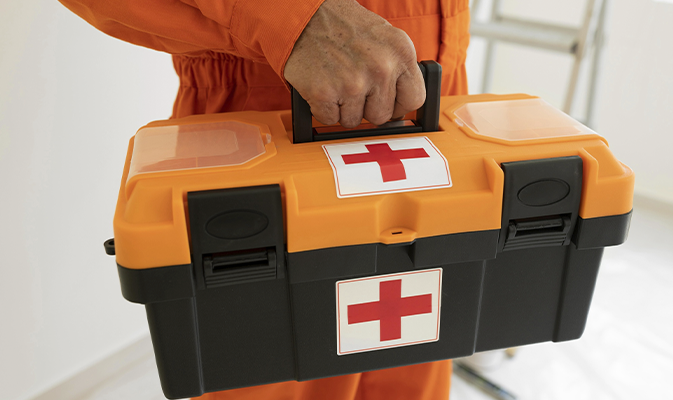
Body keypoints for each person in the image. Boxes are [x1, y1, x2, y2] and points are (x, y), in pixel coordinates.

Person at [58, 0, 470, 399]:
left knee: (417, 345)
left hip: (430, 104)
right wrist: (296, 18)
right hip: (262, 111)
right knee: (266, 362)